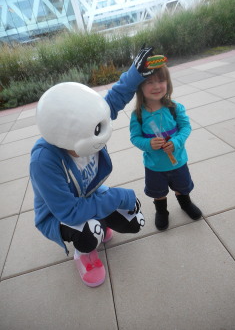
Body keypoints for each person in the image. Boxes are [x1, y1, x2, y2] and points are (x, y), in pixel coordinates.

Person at [30, 46, 154, 287]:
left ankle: (99, 223)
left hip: (87, 195)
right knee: (91, 232)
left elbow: (112, 101)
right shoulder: (44, 162)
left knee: (135, 220)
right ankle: (84, 254)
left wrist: (136, 74)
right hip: (58, 215)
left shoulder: (87, 124)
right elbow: (69, 211)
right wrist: (118, 197)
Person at [130, 56, 202, 231]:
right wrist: (148, 144)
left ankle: (185, 203)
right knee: (158, 192)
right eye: (149, 82)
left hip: (178, 160)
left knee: (182, 186)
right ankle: (162, 211)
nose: (156, 86)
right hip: (154, 166)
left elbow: (185, 127)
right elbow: (135, 138)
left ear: (168, 83)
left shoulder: (174, 107)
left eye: (161, 80)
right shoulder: (138, 115)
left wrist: (176, 141)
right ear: (140, 87)